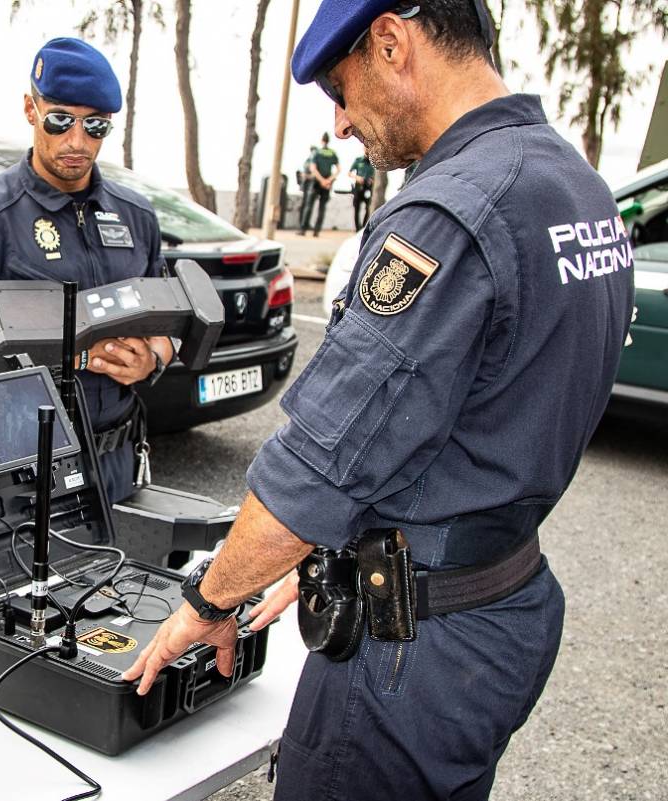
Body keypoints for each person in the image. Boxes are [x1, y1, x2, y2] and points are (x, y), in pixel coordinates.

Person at [122, 1, 634, 799]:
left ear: (392, 42)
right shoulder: (577, 188)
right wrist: (344, 552)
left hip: (412, 650)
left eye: (340, 85)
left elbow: (317, 472)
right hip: (502, 603)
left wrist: (208, 601)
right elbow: (487, 410)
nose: (338, 122)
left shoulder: (450, 213)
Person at [0, 37, 175, 504]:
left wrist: (153, 359)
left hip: (117, 470)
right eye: (61, 120)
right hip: (21, 477)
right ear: (30, 110)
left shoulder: (136, 216)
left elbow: (167, 321)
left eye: (95, 126)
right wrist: (77, 353)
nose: (77, 141)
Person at [299, 133, 340, 236]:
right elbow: (339, 169)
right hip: (327, 183)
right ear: (328, 141)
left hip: (316, 182)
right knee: (322, 208)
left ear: (322, 140)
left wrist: (321, 180)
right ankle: (316, 232)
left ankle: (303, 230)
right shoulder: (332, 153)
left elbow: (313, 169)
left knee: (309, 206)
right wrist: (328, 180)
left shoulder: (316, 152)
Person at [349, 149, 375, 230]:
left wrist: (372, 180)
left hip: (368, 189)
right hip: (358, 187)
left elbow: (376, 177)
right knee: (356, 209)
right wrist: (358, 178)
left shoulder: (374, 162)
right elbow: (349, 173)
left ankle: (364, 227)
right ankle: (357, 229)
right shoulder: (358, 160)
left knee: (368, 208)